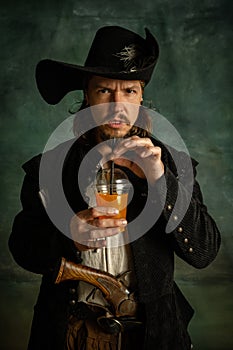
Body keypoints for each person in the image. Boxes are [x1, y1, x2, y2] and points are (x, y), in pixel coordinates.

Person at [9, 25, 221, 350]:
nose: (116, 105)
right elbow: (22, 249)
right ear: (88, 96)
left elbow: (204, 253)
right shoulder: (49, 167)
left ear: (142, 98)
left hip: (152, 335)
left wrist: (161, 180)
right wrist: (67, 235)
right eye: (104, 91)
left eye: (130, 91)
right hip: (71, 332)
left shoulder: (173, 164)